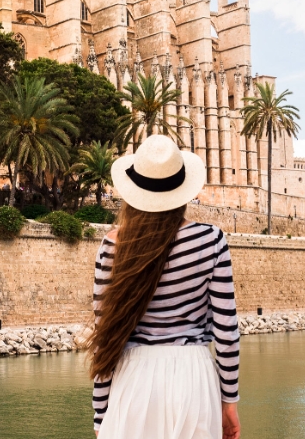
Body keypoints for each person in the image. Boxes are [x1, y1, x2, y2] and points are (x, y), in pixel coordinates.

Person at [89, 135, 241, 439]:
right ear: (182, 189)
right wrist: (229, 401)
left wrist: (101, 415)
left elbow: (106, 337)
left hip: (133, 380)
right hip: (193, 379)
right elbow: (227, 331)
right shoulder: (211, 240)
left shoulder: (112, 246)